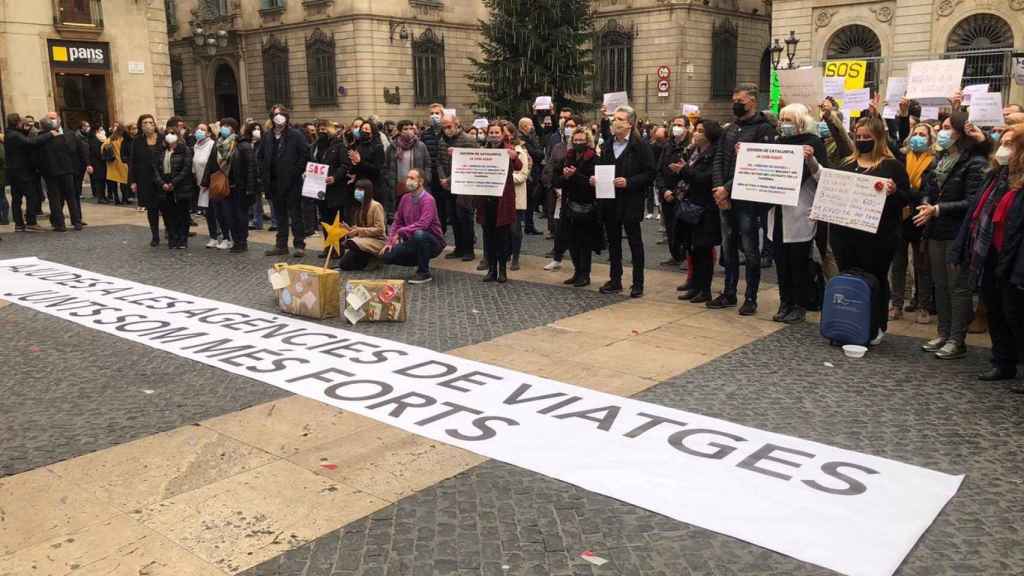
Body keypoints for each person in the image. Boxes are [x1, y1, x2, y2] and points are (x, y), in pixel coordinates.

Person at [912, 110, 992, 359]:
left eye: (947, 127)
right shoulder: (940, 159)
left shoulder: (974, 163)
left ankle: (958, 339)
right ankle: (943, 333)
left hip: (957, 233)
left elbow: (972, 201)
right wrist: (927, 203)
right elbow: (928, 186)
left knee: (958, 287)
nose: (942, 131)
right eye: (941, 127)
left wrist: (938, 209)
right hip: (935, 230)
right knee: (941, 284)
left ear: (960, 132)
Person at [830, 115, 912, 345]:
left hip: (878, 237)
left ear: (878, 138)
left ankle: (876, 324)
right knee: (848, 278)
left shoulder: (892, 166)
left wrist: (894, 192)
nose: (861, 140)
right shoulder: (846, 163)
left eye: (867, 137)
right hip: (845, 234)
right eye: (858, 136)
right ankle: (847, 323)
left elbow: (907, 199)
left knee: (876, 279)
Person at [951, 127, 1024, 384]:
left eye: (1011, 144)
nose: (1004, 149)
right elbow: (977, 212)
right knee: (995, 310)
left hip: (1015, 258)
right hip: (990, 253)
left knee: (1015, 314)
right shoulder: (995, 176)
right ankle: (1002, 362)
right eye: (1002, 143)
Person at [710, 84, 779, 314]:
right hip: (726, 198)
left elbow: (757, 165)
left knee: (750, 250)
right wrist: (719, 188)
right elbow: (719, 158)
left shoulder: (764, 129)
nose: (735, 103)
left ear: (751, 101)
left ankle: (751, 297)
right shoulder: (730, 129)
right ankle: (729, 292)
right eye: (733, 99)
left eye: (739, 100)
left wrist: (727, 189)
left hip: (748, 200)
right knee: (728, 247)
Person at [768, 104, 829, 324]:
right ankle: (785, 301)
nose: (784, 125)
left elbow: (823, 179)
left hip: (800, 211)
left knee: (799, 263)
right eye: (782, 119)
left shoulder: (813, 143)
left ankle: (800, 304)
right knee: (781, 262)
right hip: (778, 212)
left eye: (789, 120)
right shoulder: (776, 143)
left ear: (801, 122)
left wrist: (811, 160)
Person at [594, 105, 655, 298]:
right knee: (613, 243)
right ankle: (615, 279)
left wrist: (629, 182)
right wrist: (597, 178)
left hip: (631, 200)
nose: (615, 122)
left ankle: (638, 283)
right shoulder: (608, 144)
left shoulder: (640, 145)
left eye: (620, 119)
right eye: (614, 119)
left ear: (630, 123)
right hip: (610, 200)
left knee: (634, 242)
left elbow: (650, 173)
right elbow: (602, 166)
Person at [892, 121, 937, 324]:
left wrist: (906, 192)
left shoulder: (934, 161)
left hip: (921, 216)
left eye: (923, 135)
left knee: (922, 265)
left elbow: (928, 192)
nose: (918, 137)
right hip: (901, 217)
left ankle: (923, 307)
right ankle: (897, 305)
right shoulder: (902, 157)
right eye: (915, 134)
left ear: (930, 139)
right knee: (898, 264)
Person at [676, 119, 723, 304]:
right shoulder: (694, 153)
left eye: (701, 131)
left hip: (706, 208)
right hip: (692, 206)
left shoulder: (713, 155)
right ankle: (695, 285)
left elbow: (706, 179)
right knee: (693, 249)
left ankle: (705, 289)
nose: (696, 133)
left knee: (704, 250)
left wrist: (684, 171)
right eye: (696, 130)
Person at [260, 105, 310, 257]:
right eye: (275, 114)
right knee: (279, 215)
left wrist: (295, 172)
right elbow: (261, 156)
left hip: (292, 182)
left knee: (295, 215)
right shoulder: (268, 136)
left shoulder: (296, 135)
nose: (278, 117)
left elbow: (304, 155)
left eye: (281, 114)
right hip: (274, 183)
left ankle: (299, 244)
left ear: (286, 117)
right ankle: (281, 245)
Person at [477, 121, 523, 283]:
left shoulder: (509, 150)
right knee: (488, 237)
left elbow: (519, 166)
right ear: (488, 134)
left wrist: (514, 156)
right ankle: (491, 270)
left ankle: (502, 270)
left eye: (497, 133)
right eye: (492, 132)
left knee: (502, 238)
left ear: (503, 134)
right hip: (487, 200)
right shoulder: (483, 151)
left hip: (502, 201)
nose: (494, 135)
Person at [202, 118, 256, 253]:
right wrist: (205, 181)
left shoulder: (243, 145)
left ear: (233, 128)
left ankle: (242, 241)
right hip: (224, 186)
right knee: (228, 215)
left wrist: (250, 187)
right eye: (222, 126)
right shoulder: (218, 144)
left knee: (240, 215)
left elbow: (250, 167)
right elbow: (211, 163)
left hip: (239, 186)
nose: (223, 128)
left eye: (227, 126)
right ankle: (235, 240)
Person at [381, 168, 444, 283]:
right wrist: (390, 241)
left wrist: (401, 232)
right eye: (407, 178)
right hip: (412, 240)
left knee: (419, 234)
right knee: (386, 256)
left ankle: (424, 272)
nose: (408, 181)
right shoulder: (405, 198)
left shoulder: (428, 200)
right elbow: (397, 221)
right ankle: (419, 258)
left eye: (412, 178)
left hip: (433, 242)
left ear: (421, 181)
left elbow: (423, 224)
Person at [559, 126, 599, 287]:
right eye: (576, 140)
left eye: (581, 140)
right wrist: (565, 176)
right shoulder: (568, 157)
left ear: (588, 141)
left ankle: (585, 274)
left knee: (585, 243)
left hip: (587, 204)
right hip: (570, 204)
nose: (578, 143)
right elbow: (557, 179)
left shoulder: (594, 158)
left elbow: (591, 183)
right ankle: (576, 272)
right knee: (572, 241)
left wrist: (575, 175)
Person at [540, 115, 580, 271]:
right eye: (567, 126)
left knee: (576, 229)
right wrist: (555, 186)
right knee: (559, 226)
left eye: (572, 125)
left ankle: (580, 264)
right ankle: (557, 257)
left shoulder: (585, 148)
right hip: (558, 192)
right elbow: (551, 167)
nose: (569, 128)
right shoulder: (558, 147)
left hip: (576, 194)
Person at [437, 113, 479, 262]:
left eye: (448, 126)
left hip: (464, 185)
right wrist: (442, 177)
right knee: (453, 218)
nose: (446, 130)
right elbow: (439, 161)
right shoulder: (442, 140)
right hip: (448, 186)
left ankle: (469, 250)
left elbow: (473, 162)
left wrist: (450, 178)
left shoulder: (468, 139)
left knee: (465, 218)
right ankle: (459, 247)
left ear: (456, 124)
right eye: (444, 127)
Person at [5, 113, 55, 232]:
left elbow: (24, 141)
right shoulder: (15, 135)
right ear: (18, 123)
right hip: (22, 171)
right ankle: (31, 222)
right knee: (32, 196)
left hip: (13, 171)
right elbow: (30, 143)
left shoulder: (10, 133)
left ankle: (19, 224)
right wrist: (49, 134)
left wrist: (25, 131)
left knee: (16, 198)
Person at [38, 113, 85, 231]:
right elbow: (72, 151)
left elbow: (38, 158)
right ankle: (77, 222)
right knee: (71, 196)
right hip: (67, 170)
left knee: (55, 199)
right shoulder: (64, 137)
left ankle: (60, 224)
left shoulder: (41, 139)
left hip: (51, 172)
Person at [311, 120, 351, 258]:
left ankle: (338, 247)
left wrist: (335, 177)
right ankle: (328, 246)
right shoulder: (315, 146)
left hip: (335, 189)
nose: (322, 131)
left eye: (324, 129)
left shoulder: (340, 146)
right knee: (324, 219)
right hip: (319, 188)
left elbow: (345, 165)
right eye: (319, 129)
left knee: (336, 220)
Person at [658, 116, 691, 268]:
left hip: (681, 195)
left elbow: (689, 173)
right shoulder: (667, 145)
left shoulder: (689, 147)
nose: (676, 127)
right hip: (666, 193)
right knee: (670, 227)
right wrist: (664, 190)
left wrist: (675, 192)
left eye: (680, 125)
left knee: (683, 227)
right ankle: (675, 255)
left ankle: (686, 257)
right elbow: (659, 170)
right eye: (674, 124)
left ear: (686, 128)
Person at [382, 119, 432, 221]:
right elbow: (386, 166)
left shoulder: (420, 146)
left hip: (416, 185)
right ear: (400, 131)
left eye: (411, 128)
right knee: (400, 216)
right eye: (405, 129)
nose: (409, 131)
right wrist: (389, 180)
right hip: (399, 186)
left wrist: (426, 178)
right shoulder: (393, 147)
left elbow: (427, 164)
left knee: (415, 215)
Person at [154, 121, 194, 249]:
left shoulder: (184, 150)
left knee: (182, 214)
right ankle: (173, 237)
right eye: (167, 133)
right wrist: (162, 183)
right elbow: (155, 168)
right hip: (164, 187)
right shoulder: (161, 151)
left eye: (172, 133)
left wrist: (173, 182)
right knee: (168, 214)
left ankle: (183, 239)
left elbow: (186, 168)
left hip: (180, 186)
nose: (169, 135)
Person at [336, 178, 386, 270]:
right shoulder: (359, 207)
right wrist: (348, 229)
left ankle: (374, 258)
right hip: (363, 240)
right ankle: (366, 259)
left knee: (351, 243)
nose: (357, 192)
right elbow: (359, 229)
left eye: (360, 190)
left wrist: (358, 230)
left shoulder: (375, 206)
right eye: (356, 189)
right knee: (344, 264)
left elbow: (380, 230)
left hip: (377, 241)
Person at [129, 114, 164, 244]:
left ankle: (170, 232)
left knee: (166, 207)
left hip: (162, 178)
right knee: (152, 208)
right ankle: (155, 235)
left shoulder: (162, 138)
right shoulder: (137, 141)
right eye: (145, 123)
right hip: (145, 179)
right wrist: (132, 181)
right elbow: (133, 162)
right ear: (141, 126)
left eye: (150, 122)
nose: (148, 125)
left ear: (154, 124)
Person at [192, 123, 225, 249]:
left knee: (218, 211)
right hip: (201, 184)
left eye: (203, 129)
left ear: (209, 133)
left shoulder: (212, 145)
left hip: (213, 183)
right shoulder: (196, 146)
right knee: (208, 212)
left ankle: (225, 236)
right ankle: (213, 237)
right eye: (198, 129)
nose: (199, 131)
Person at [346, 118, 385, 224]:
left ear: (372, 132)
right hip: (359, 184)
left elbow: (377, 169)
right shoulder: (358, 146)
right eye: (362, 129)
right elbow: (355, 168)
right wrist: (353, 165)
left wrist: (360, 162)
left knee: (372, 217)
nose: (364, 131)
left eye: (367, 129)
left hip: (373, 186)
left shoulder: (377, 147)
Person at [507, 126, 532, 271]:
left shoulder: (520, 151)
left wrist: (505, 178)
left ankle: (515, 257)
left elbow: (523, 175)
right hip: (501, 196)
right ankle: (506, 253)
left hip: (515, 195)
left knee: (515, 229)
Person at [518, 117, 544, 235]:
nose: (532, 127)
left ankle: (529, 225)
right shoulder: (522, 139)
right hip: (529, 174)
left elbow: (539, 152)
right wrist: (539, 153)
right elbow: (536, 154)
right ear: (524, 126)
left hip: (534, 172)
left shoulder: (531, 137)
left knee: (531, 200)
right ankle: (527, 224)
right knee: (527, 199)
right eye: (531, 125)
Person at [102, 126, 129, 205]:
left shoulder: (110, 138)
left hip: (112, 163)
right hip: (121, 162)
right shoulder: (122, 139)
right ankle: (124, 198)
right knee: (123, 182)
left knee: (113, 182)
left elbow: (103, 147)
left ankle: (116, 199)